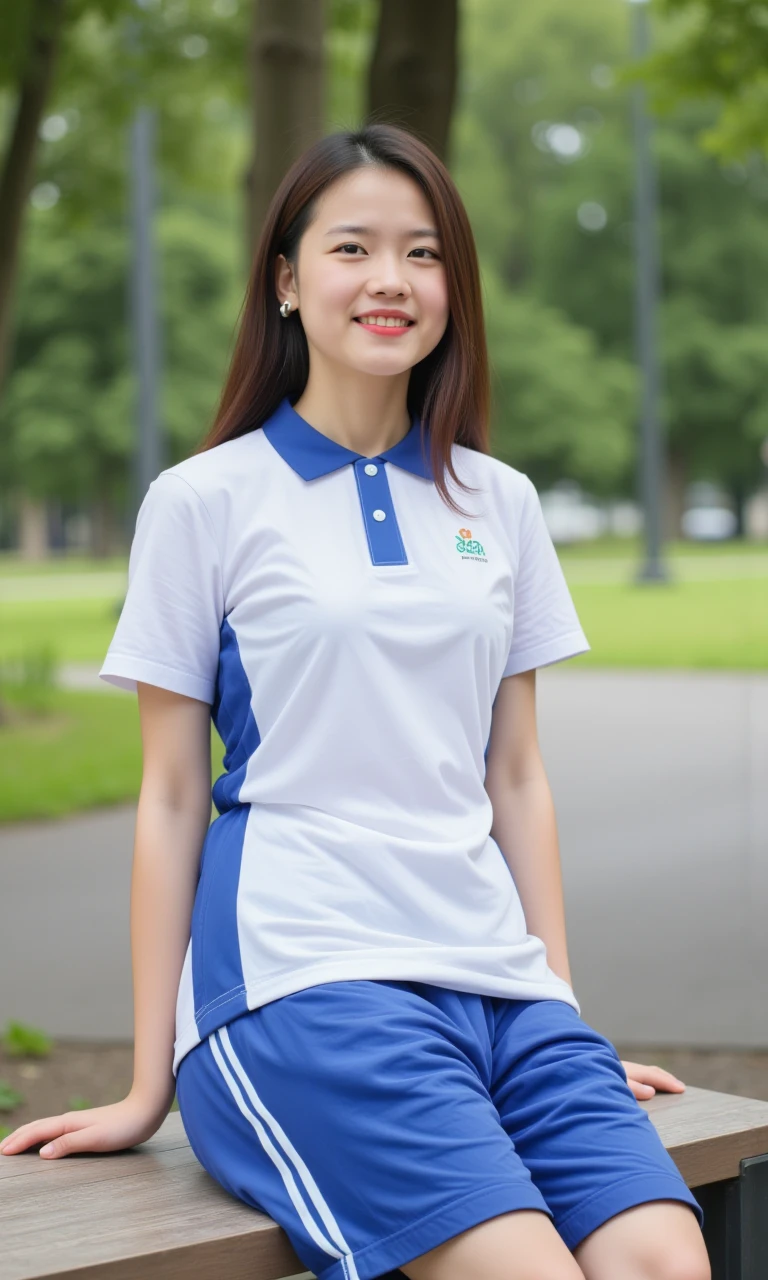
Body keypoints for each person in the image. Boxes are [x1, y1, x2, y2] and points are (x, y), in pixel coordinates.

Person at [0, 123, 710, 1280]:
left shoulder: (501, 499)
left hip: (496, 984)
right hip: (303, 979)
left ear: (454, 287)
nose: (391, 280)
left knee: (667, 1261)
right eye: (352, 248)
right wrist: (148, 1078)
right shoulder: (203, 500)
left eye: (424, 254)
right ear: (286, 281)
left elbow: (516, 773)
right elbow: (172, 793)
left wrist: (560, 1004)